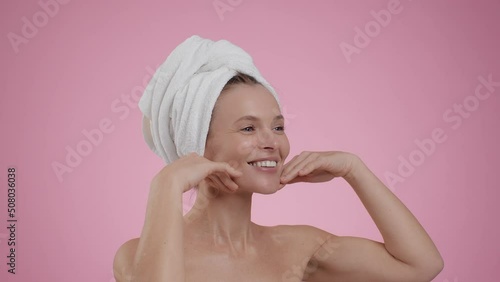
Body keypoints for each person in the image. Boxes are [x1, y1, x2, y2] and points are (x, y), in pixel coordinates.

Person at [113, 36, 444, 282]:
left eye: (278, 126)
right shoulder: (136, 257)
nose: (272, 142)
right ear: (197, 146)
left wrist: (354, 168)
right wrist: (166, 185)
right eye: (247, 128)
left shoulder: (299, 248)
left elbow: (420, 265)